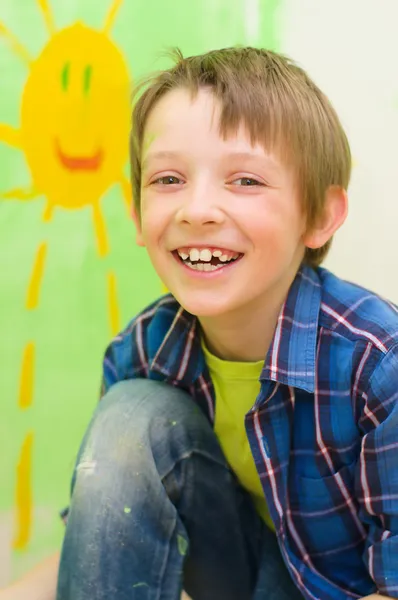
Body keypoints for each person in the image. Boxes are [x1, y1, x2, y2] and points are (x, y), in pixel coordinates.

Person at [1, 46, 396, 600]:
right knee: (131, 415)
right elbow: (102, 545)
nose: (197, 209)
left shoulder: (379, 363)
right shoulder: (143, 351)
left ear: (320, 215)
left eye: (245, 181)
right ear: (138, 217)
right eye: (168, 179)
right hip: (237, 572)